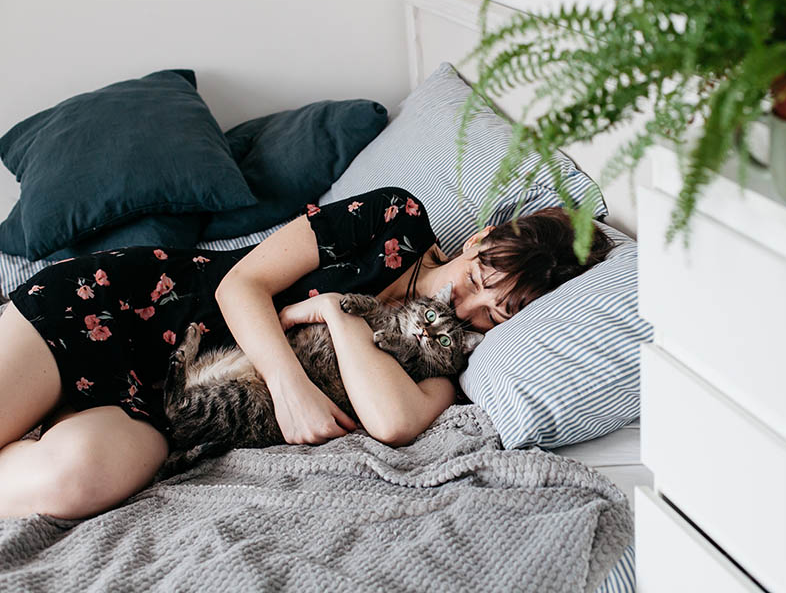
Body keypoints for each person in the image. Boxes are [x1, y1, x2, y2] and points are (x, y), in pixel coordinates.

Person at [0, 187, 614, 519]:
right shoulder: (395, 219)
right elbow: (238, 283)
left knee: (77, 477)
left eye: (496, 312)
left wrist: (336, 317)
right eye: (481, 277)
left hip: (169, 406)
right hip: (123, 310)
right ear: (479, 240)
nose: (469, 305)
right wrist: (291, 386)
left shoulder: (448, 354)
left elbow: (398, 422)